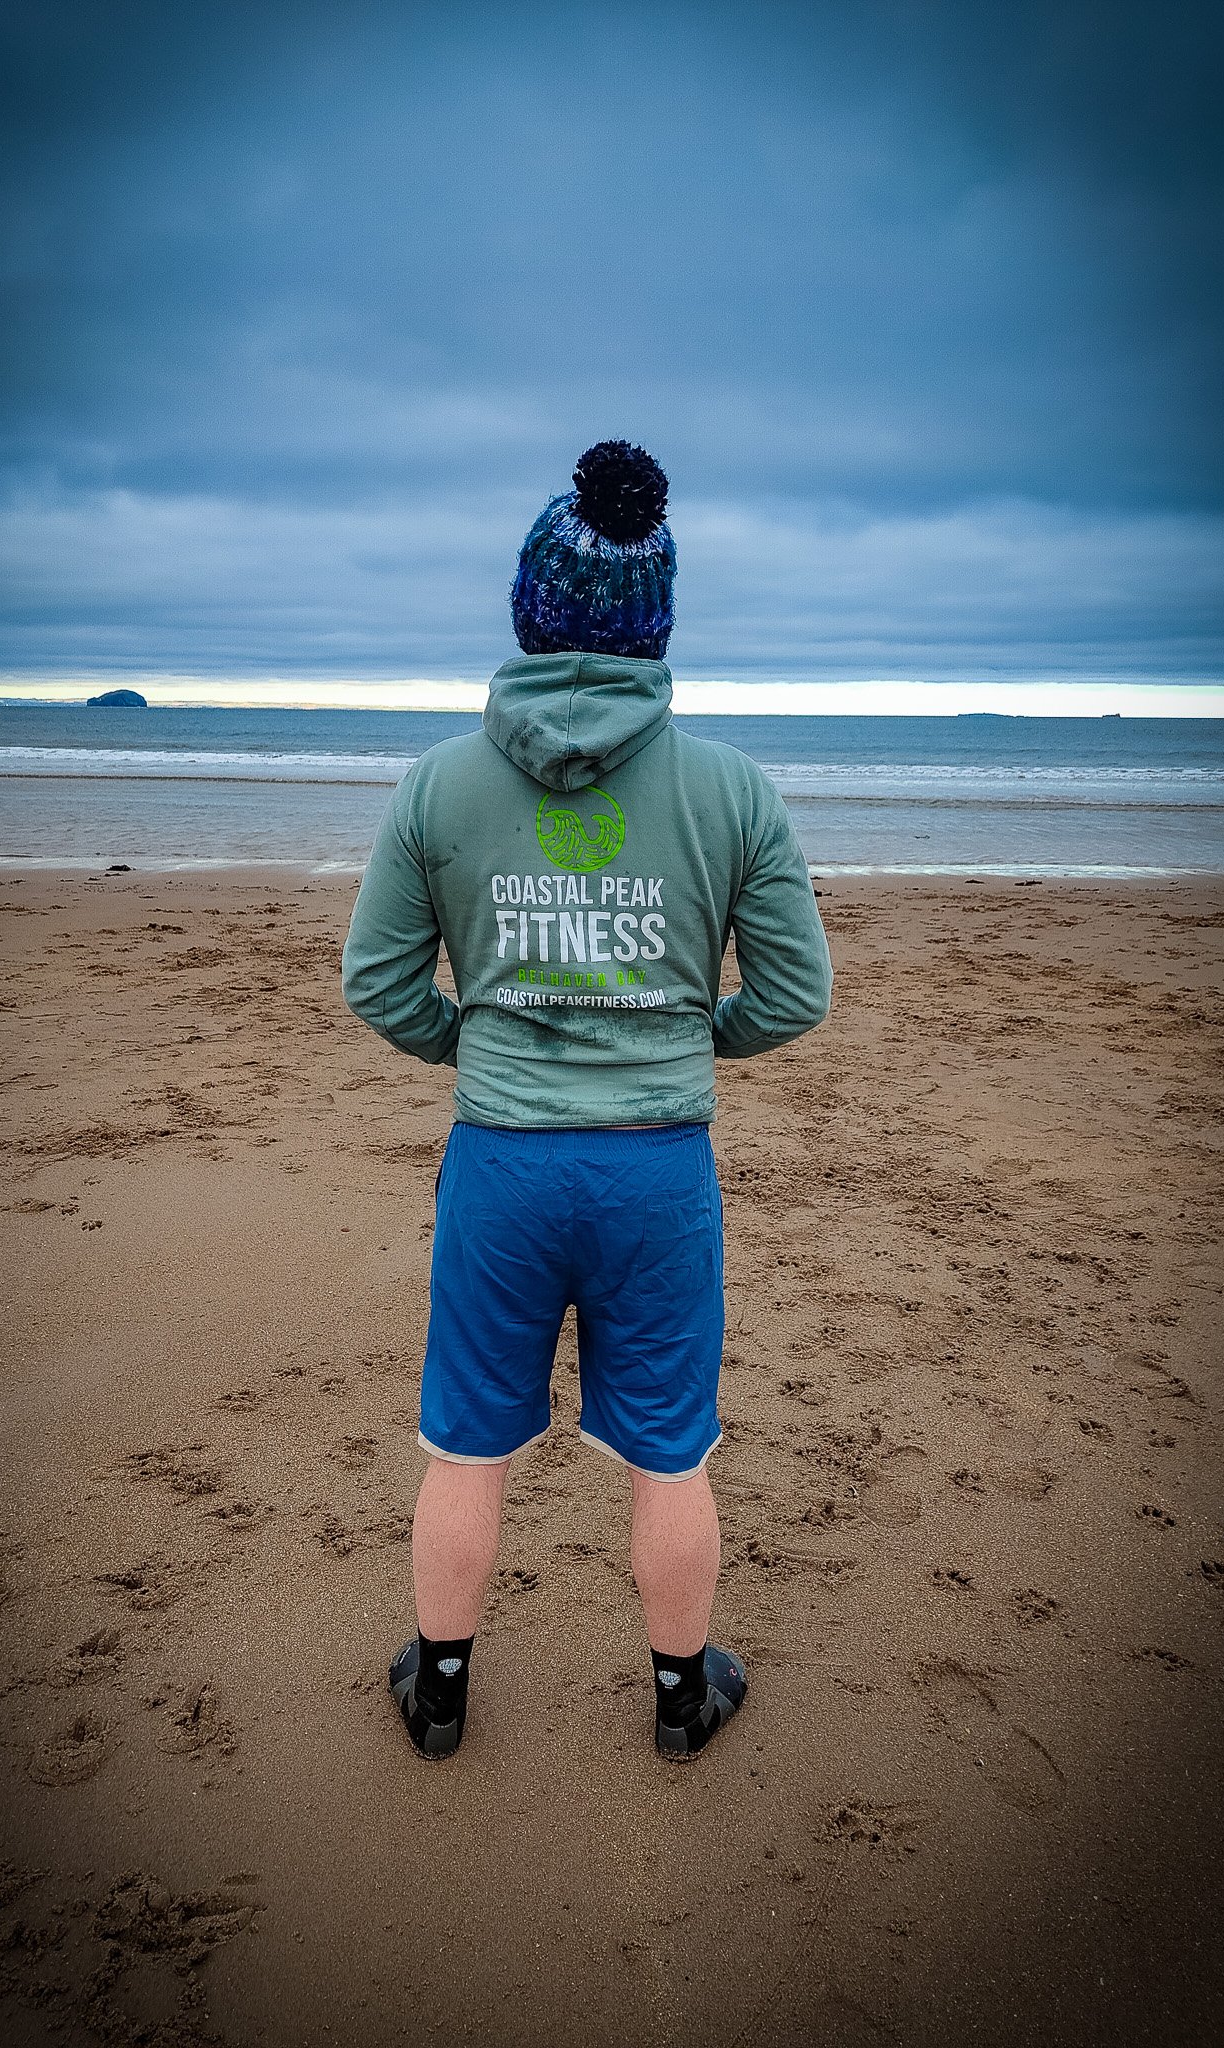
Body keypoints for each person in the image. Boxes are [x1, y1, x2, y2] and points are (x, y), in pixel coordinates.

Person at [342, 441, 832, 1761]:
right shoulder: (733, 793)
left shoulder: (440, 784)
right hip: (656, 1168)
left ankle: (439, 1692)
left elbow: (378, 982)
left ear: (527, 611)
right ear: (657, 622)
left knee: (468, 1442)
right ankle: (683, 1702)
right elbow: (793, 997)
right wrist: (687, 1043)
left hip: (502, 1164)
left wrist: (478, 1049)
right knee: (670, 1450)